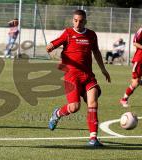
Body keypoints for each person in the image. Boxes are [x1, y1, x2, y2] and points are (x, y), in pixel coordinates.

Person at [46, 10, 111, 147]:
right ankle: (57, 113)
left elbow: (96, 52)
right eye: (75, 20)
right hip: (71, 76)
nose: (78, 23)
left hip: (87, 76)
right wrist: (50, 46)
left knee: (93, 103)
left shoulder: (91, 35)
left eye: (81, 21)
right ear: (72, 20)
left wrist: (103, 69)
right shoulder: (68, 33)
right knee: (74, 107)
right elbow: (54, 44)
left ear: (85, 21)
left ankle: (93, 139)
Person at [120, 27, 142, 107]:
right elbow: (135, 43)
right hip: (140, 60)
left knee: (136, 82)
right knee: (135, 82)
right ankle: (124, 99)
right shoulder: (141, 30)